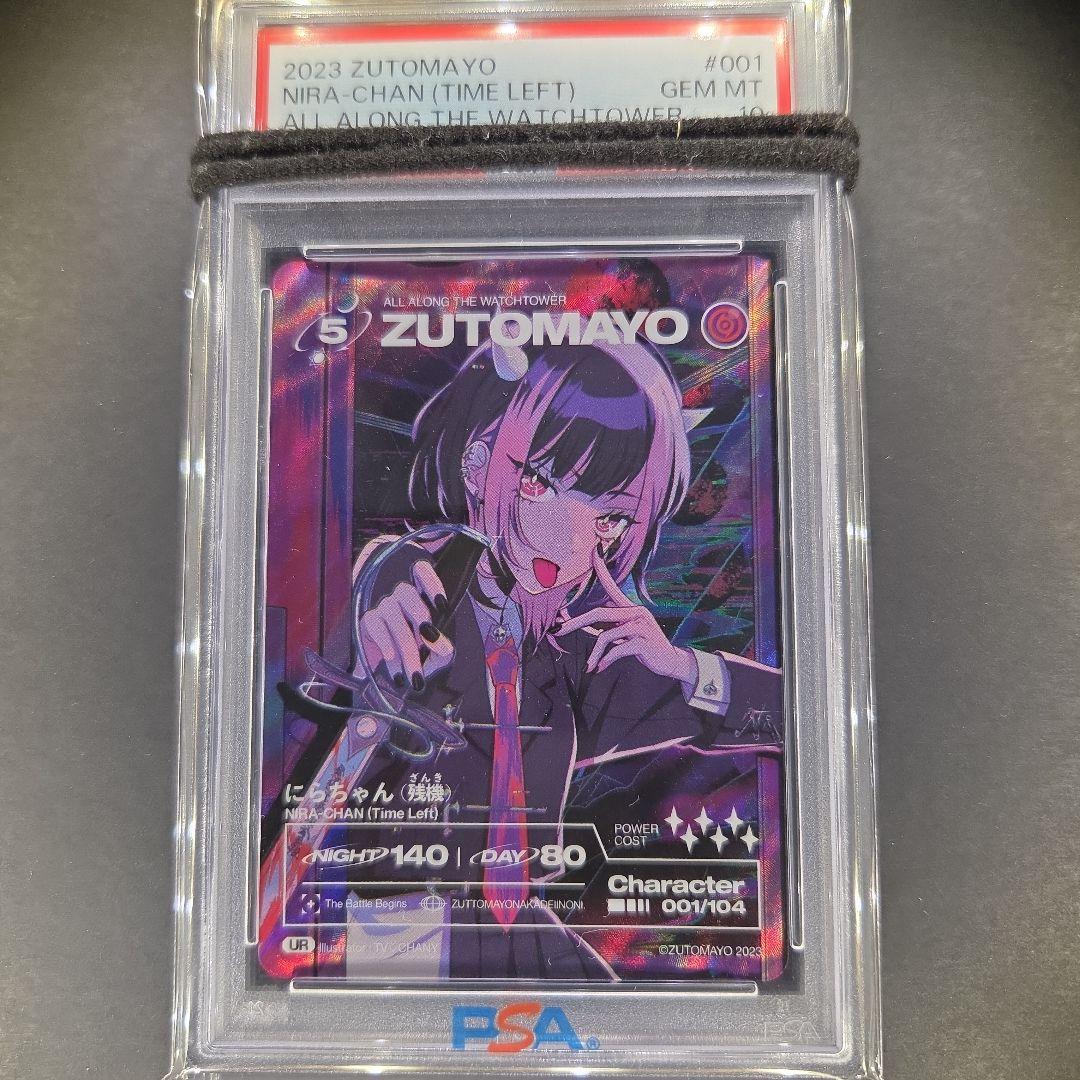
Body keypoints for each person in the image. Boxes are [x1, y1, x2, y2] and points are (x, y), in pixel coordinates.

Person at [347, 333, 781, 979]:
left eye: (610, 519)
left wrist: (685, 667)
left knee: (614, 1010)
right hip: (399, 919)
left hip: (509, 917)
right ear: (478, 466)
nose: (570, 541)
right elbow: (394, 589)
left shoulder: (572, 648)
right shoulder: (424, 576)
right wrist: (383, 617)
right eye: (540, 482)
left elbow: (793, 717)